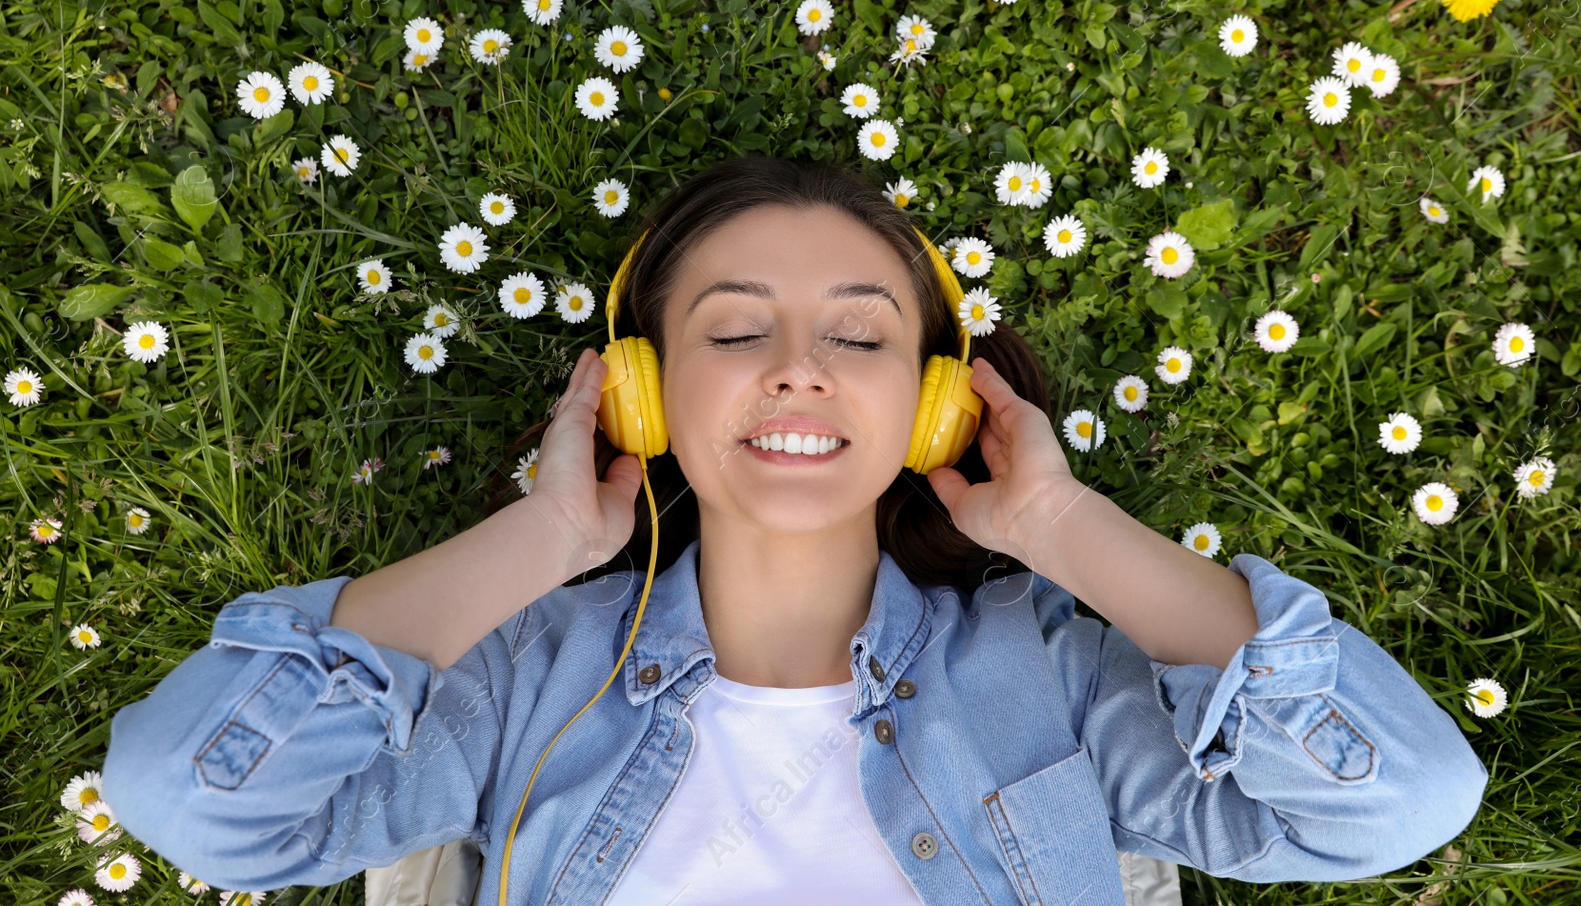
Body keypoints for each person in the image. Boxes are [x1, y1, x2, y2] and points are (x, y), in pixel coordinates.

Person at [101, 155, 1487, 906]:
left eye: (860, 335)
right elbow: (192, 801)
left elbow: (1402, 800)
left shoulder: (1050, 681)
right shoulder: (522, 675)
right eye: (735, 327)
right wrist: (541, 543)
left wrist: (1065, 524)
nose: (797, 368)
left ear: (938, 405)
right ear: (640, 388)